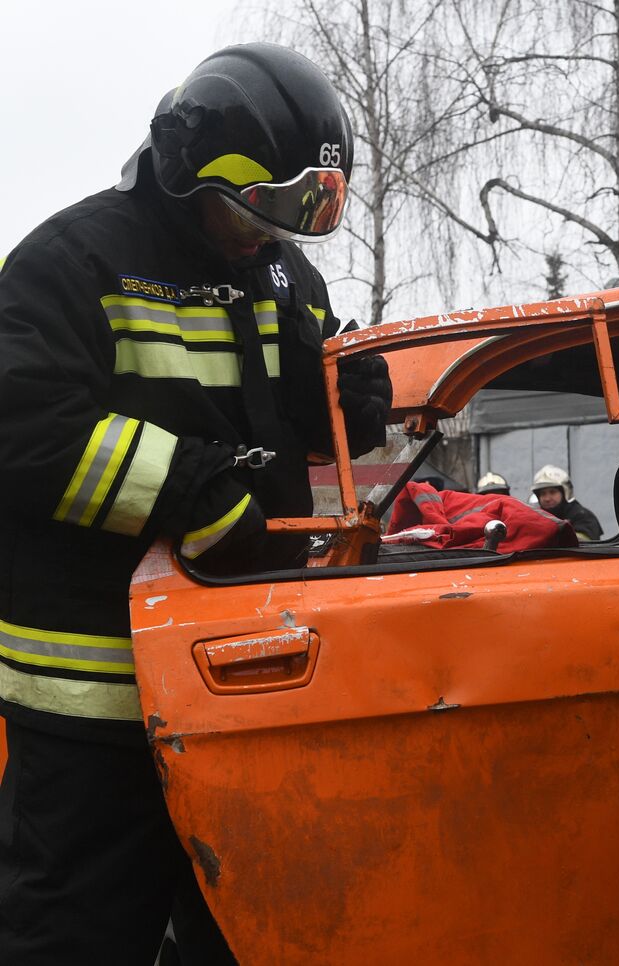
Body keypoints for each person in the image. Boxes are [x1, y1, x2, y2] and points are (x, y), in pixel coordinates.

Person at [0, 43, 391, 964]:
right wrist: (189, 493)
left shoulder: (281, 273)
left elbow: (310, 380)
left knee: (247, 930)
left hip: (249, 683)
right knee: (75, 935)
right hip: (98, 698)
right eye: (258, 209)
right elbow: (25, 427)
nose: (269, 234)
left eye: (296, 213)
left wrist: (351, 389)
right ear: (187, 176)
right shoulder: (73, 261)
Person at [531, 464, 603, 540]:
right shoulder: (536, 518)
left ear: (566, 492)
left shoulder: (582, 516)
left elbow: (583, 544)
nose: (547, 498)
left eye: (552, 492)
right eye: (543, 494)